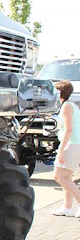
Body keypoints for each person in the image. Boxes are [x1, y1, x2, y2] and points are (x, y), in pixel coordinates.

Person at [50, 80, 80, 217]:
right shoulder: (72, 105)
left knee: (59, 176)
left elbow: (68, 130)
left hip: (70, 144)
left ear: (59, 93)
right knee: (67, 177)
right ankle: (67, 208)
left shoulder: (66, 106)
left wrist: (61, 150)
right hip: (75, 144)